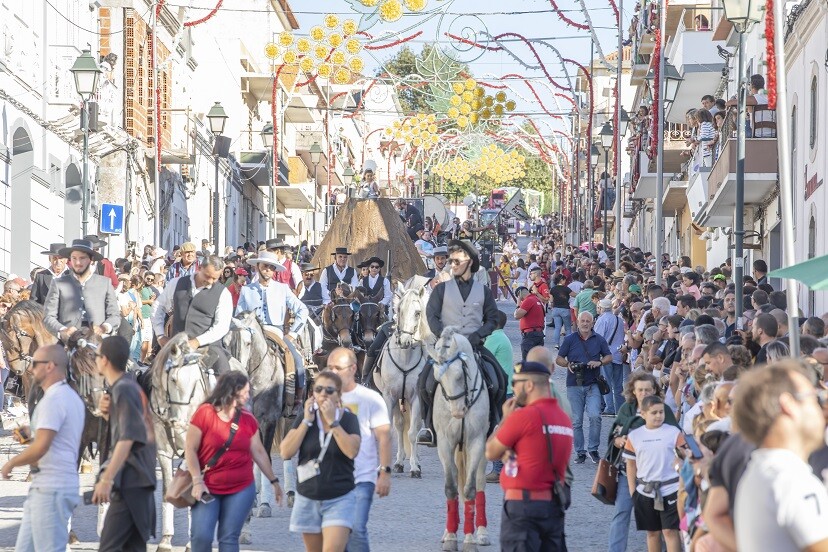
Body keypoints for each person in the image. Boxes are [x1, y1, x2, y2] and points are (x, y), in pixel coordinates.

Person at [732, 361, 828, 551]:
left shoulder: (761, 474)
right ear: (788, 405)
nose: (824, 407)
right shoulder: (790, 480)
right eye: (815, 398)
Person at [417, 239, 505, 447]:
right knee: (424, 382)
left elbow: (492, 318)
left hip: (474, 347)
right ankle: (428, 427)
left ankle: (495, 423)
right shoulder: (441, 290)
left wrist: (478, 335)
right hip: (446, 348)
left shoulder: (483, 291)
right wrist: (443, 334)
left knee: (499, 378)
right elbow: (431, 315)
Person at [185, 371, 283, 552]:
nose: (248, 396)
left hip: (241, 488)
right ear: (232, 391)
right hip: (207, 485)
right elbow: (190, 449)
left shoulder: (248, 419)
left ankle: (295, 398)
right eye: (245, 392)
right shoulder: (204, 413)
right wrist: (197, 480)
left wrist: (274, 481)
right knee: (201, 537)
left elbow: (259, 452)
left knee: (229, 538)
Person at [1, 344, 85, 551]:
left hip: (52, 487)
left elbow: (41, 447)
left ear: (49, 366)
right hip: (49, 486)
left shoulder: (54, 400)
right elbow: (57, 438)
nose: (31, 369)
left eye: (35, 363)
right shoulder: (68, 397)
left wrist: (11, 464)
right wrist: (30, 433)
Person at [485, 360, 573, 552]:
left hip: (522, 509)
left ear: (529, 385)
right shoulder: (563, 418)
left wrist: (505, 419)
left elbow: (491, 451)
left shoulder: (523, 417)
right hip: (553, 506)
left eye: (515, 383)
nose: (513, 389)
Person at [279, 370, 361, 552]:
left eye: (329, 390)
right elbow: (285, 452)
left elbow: (352, 451)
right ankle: (291, 400)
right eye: (318, 389)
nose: (323, 393)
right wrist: (305, 422)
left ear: (339, 395)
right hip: (308, 496)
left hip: (339, 497)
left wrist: (333, 422)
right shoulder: (305, 418)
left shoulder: (348, 419)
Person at [92, 336, 157, 551]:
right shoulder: (126, 386)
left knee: (109, 547)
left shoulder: (124, 389)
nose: (94, 360)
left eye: (96, 355)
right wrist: (108, 414)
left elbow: (128, 438)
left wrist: (106, 479)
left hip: (132, 481)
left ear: (105, 360)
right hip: (138, 481)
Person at [326, 348, 392, 552]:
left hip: (361, 478)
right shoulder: (322, 397)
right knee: (336, 535)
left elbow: (384, 437)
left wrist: (385, 472)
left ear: (353, 368)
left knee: (356, 529)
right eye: (329, 368)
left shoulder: (371, 398)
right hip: (329, 479)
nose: (333, 372)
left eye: (338, 368)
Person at [606, 372, 680, 552]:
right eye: (640, 390)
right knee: (622, 513)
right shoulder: (627, 409)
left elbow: (676, 437)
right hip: (629, 473)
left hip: (661, 476)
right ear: (633, 391)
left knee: (664, 525)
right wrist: (619, 440)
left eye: (648, 390)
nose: (644, 393)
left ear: (655, 390)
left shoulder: (663, 410)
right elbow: (615, 433)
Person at [236, 250, 308, 415]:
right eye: (265, 266)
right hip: (252, 333)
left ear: (274, 270)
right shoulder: (247, 290)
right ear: (258, 267)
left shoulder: (283, 289)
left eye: (271, 267)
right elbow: (239, 315)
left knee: (297, 359)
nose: (268, 269)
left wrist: (293, 334)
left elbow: (302, 310)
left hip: (275, 331)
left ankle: (296, 398)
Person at [623, 395, 685, 552]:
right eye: (654, 413)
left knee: (670, 531)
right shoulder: (635, 436)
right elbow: (631, 464)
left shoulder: (673, 432)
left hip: (671, 489)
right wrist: (633, 491)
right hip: (645, 490)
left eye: (661, 412)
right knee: (652, 533)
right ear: (643, 414)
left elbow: (686, 456)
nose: (658, 416)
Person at [151, 255, 233, 374]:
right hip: (176, 347)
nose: (210, 281)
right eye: (207, 276)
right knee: (150, 378)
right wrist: (160, 335)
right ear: (199, 268)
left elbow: (221, 326)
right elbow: (158, 306)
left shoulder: (223, 293)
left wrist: (197, 341)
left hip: (209, 348)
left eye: (215, 278)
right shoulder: (176, 283)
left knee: (226, 379)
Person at [556, 311, 612, 464]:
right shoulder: (569, 339)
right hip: (574, 384)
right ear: (578, 322)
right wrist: (568, 364)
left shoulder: (599, 339)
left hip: (593, 383)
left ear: (592, 323)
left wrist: (600, 362)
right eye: (583, 321)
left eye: (588, 321)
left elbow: (609, 356)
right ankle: (580, 452)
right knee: (576, 421)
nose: (585, 323)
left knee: (595, 416)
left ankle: (593, 450)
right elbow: (559, 359)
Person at [43, 239, 121, 341]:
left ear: (91, 259)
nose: (78, 262)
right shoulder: (58, 283)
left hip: (98, 340)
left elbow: (115, 315)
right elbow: (48, 316)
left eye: (82, 258)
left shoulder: (104, 283)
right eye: (74, 258)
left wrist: (104, 327)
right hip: (68, 341)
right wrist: (63, 330)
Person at [595, 298, 627, 416]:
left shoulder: (602, 319)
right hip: (618, 354)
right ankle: (620, 409)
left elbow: (598, 338)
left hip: (606, 355)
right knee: (618, 384)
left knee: (606, 382)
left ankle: (609, 408)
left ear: (601, 308)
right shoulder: (619, 320)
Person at [514, 286, 545, 361]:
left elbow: (517, 316)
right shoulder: (537, 299)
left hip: (530, 335)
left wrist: (518, 305)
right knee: (537, 360)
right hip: (539, 333)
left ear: (519, 294)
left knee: (527, 361)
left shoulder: (528, 300)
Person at [548, 273, 574, 348]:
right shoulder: (566, 288)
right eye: (564, 280)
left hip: (556, 309)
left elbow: (551, 300)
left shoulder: (553, 289)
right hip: (565, 309)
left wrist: (552, 306)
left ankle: (557, 344)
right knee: (568, 328)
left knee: (557, 328)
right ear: (562, 280)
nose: (565, 281)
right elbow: (574, 294)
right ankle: (568, 345)